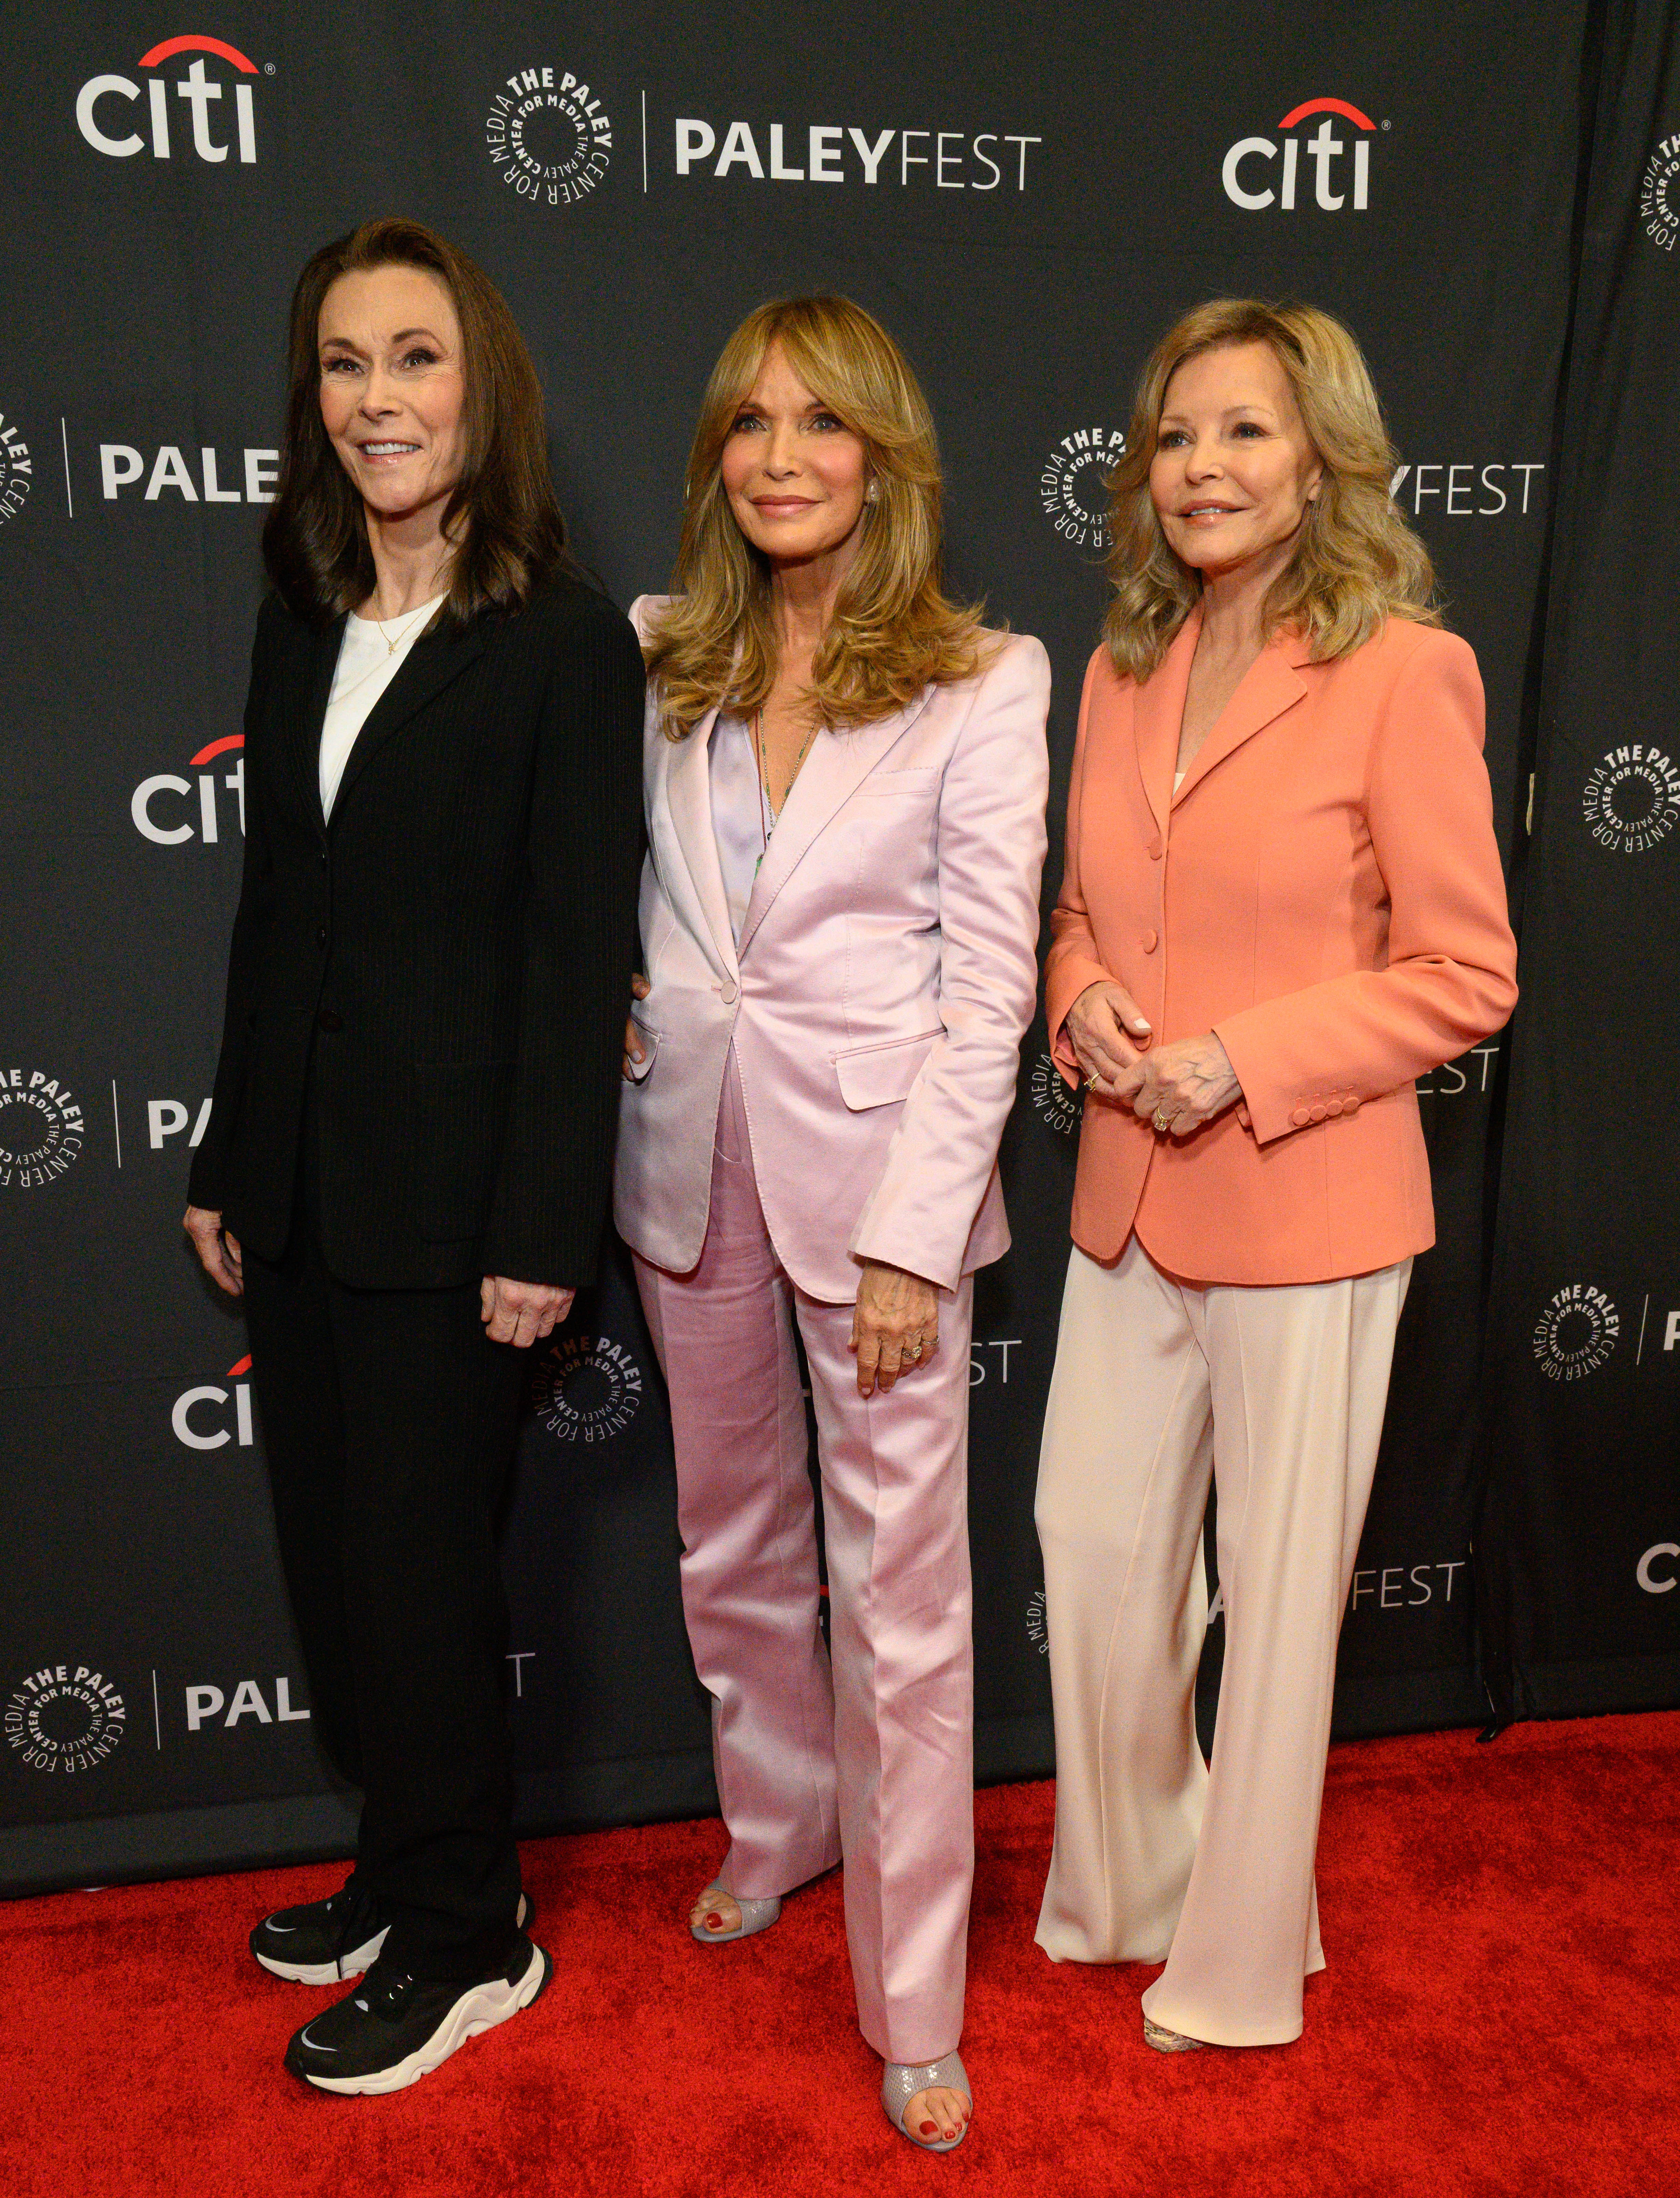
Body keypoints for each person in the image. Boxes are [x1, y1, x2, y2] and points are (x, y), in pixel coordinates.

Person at [182, 217, 643, 2094]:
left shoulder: (556, 644)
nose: (380, 398)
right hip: (295, 1191)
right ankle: (398, 1868)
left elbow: (568, 955)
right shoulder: (302, 604)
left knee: (427, 1588)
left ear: (483, 388)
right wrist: (228, 1146)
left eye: (417, 359)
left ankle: (471, 1940)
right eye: (348, 363)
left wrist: (543, 1222)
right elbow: (271, 904)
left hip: (460, 1221)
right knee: (341, 1575)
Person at [1033, 299, 1518, 2050]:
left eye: (1243, 432)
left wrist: (1242, 1059)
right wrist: (1081, 998)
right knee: (1087, 1546)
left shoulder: (1404, 669)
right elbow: (1080, 908)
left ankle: (1240, 1972)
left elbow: (1467, 974)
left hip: (1307, 1199)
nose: (1201, 468)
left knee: (1284, 1608)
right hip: (1127, 1191)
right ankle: (1136, 1885)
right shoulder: (1119, 664)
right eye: (1175, 436)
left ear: (1322, 457)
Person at [616, 295, 1049, 2150]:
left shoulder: (984, 677)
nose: (781, 453)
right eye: (748, 420)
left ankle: (914, 1989)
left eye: (822, 421)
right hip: (681, 1164)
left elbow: (989, 987)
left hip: (879, 1197)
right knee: (728, 1544)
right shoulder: (656, 653)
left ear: (886, 453)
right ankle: (779, 1827)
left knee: (904, 1609)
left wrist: (909, 1235)